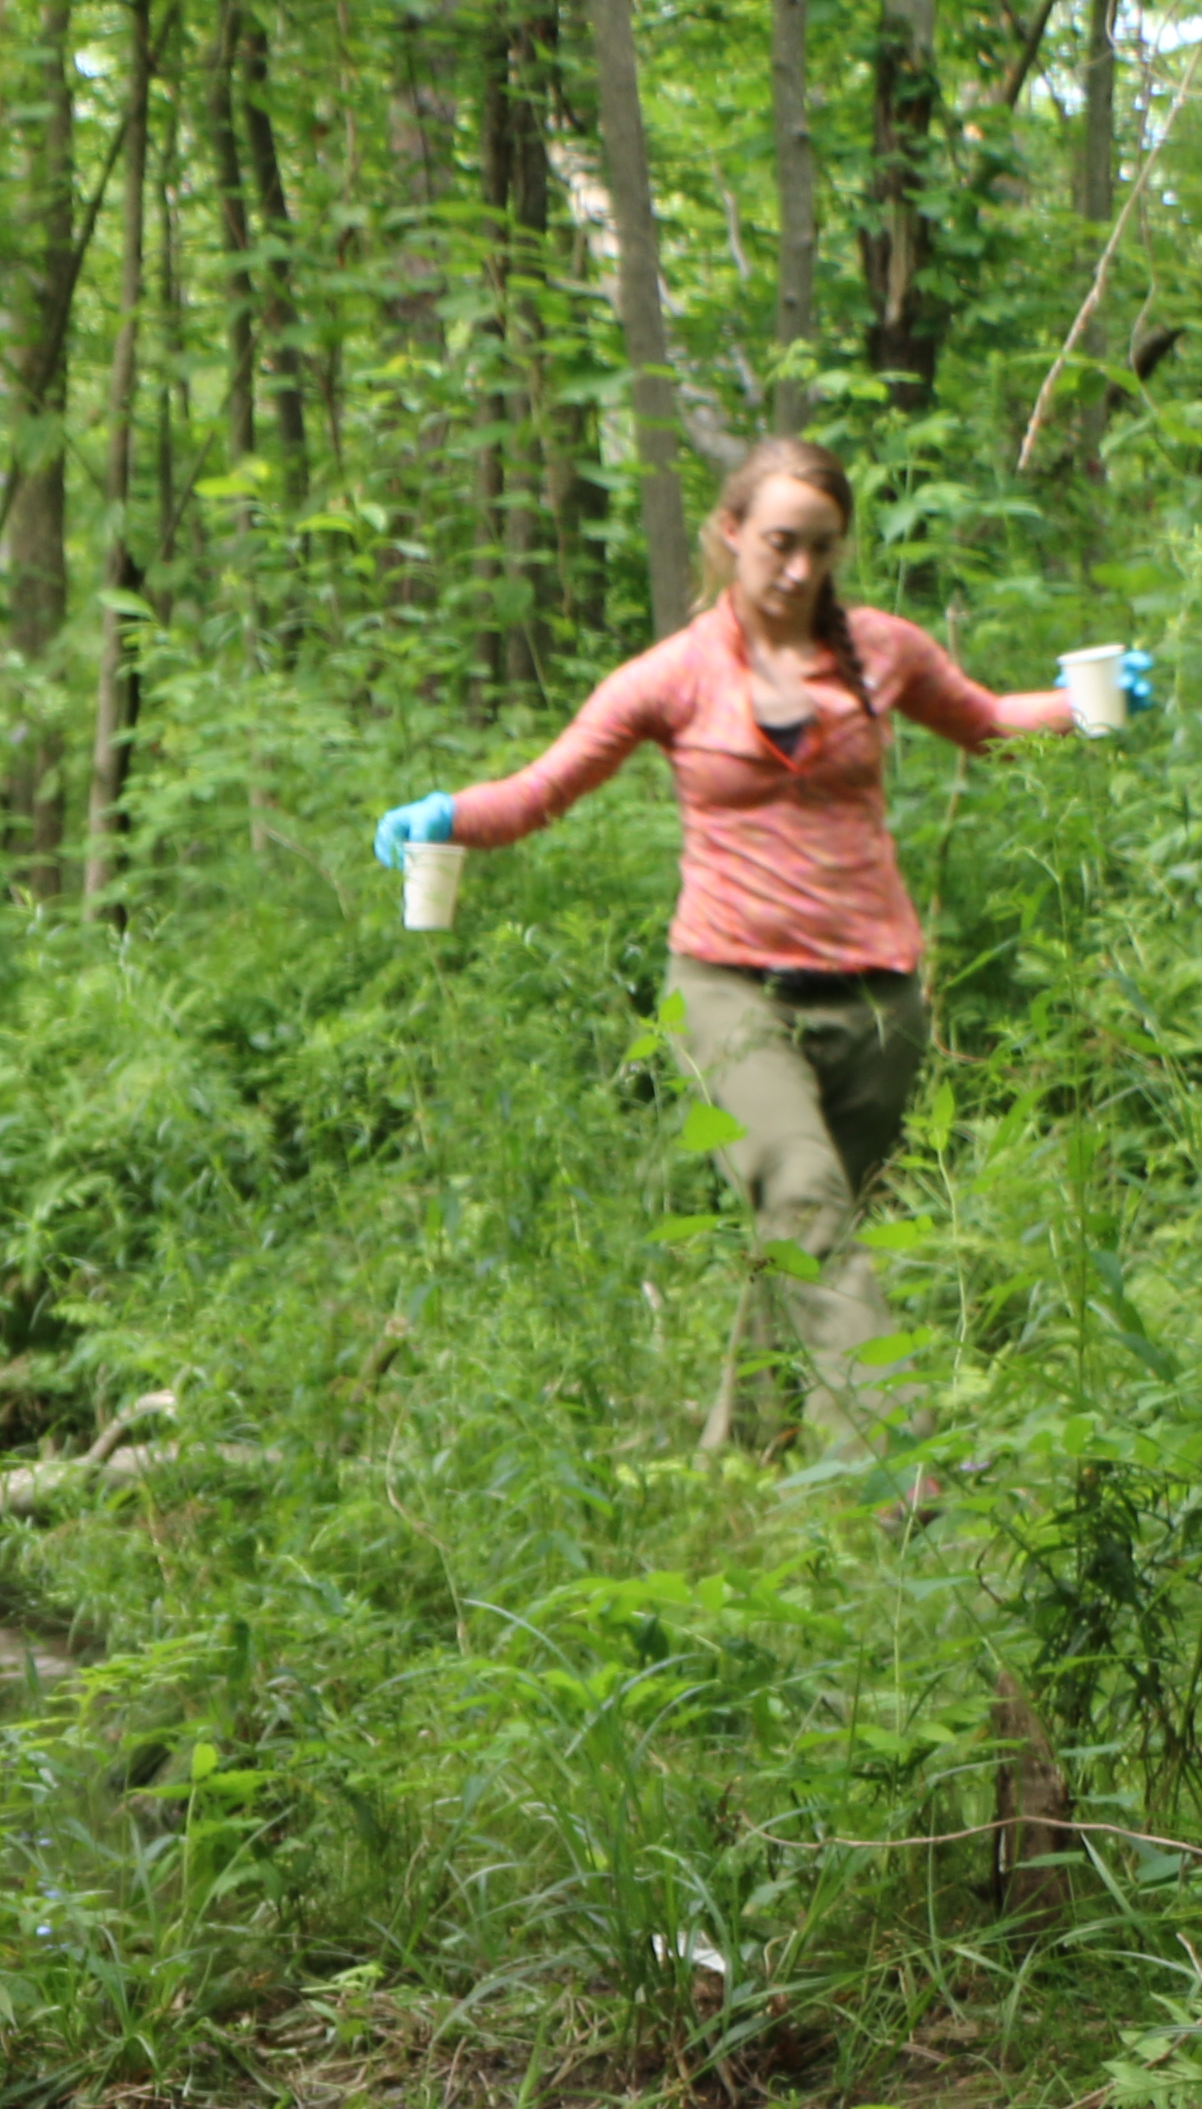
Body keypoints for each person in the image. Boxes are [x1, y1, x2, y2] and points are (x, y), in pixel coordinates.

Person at [371, 439, 1155, 1451]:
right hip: (729, 989)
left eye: (822, 549)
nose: (798, 570)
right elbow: (540, 792)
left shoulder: (883, 650)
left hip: (879, 999)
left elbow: (988, 722)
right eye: (780, 543)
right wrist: (446, 817)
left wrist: (1088, 709)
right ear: (729, 533)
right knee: (804, 1202)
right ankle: (896, 1475)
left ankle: (736, 1476)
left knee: (801, 1244)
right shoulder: (673, 676)